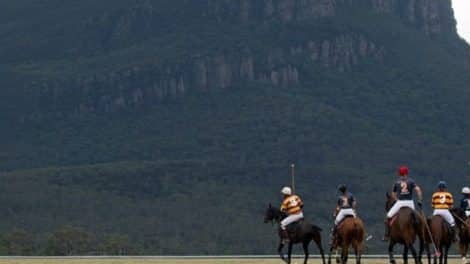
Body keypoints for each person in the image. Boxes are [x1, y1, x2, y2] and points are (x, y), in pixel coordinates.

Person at [383, 165, 423, 241]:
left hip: (400, 202)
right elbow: (418, 190)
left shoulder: (397, 182)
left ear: (400, 174)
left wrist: (396, 199)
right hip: (410, 203)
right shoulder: (411, 181)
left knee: (388, 216)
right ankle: (418, 232)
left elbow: (393, 194)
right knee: (416, 218)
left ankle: (386, 235)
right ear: (406, 173)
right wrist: (420, 200)